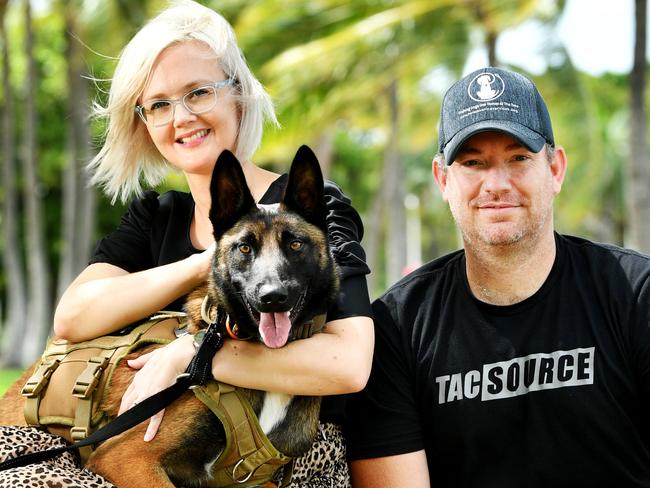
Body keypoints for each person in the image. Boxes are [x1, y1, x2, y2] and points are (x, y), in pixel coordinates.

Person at [0, 1, 373, 486]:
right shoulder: (155, 216)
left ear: (238, 95)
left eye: (198, 92)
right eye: (158, 104)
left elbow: (348, 364)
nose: (181, 117)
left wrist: (192, 355)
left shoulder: (309, 212)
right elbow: (73, 318)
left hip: (287, 457)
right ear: (143, 121)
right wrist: (205, 263)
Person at [346, 66, 650, 487]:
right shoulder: (398, 329)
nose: (496, 183)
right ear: (443, 179)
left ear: (556, 169)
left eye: (518, 158)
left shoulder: (635, 293)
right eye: (473, 163)